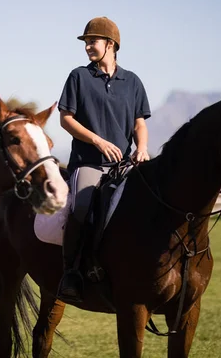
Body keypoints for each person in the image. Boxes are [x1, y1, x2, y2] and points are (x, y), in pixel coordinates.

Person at [56, 16, 151, 303]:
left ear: (111, 44)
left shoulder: (132, 81)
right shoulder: (79, 77)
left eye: (92, 41)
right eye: (85, 42)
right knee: (81, 208)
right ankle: (71, 272)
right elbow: (65, 119)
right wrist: (96, 140)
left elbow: (139, 124)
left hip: (123, 167)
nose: (87, 47)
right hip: (88, 164)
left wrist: (142, 148)